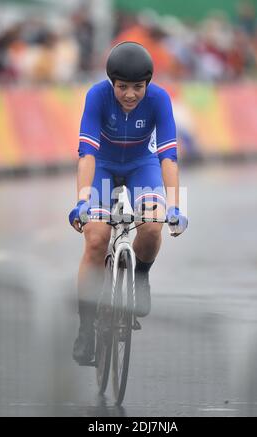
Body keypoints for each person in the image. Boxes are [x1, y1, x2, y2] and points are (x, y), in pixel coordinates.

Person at [69, 41, 188, 366]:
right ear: (112, 83)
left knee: (151, 226)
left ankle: (141, 275)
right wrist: (82, 201)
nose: (131, 94)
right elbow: (87, 154)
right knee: (96, 237)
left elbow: (168, 157)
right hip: (103, 167)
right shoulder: (97, 96)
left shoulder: (160, 99)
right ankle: (85, 328)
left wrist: (175, 206)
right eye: (123, 87)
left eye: (138, 87)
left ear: (148, 84)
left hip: (141, 166)